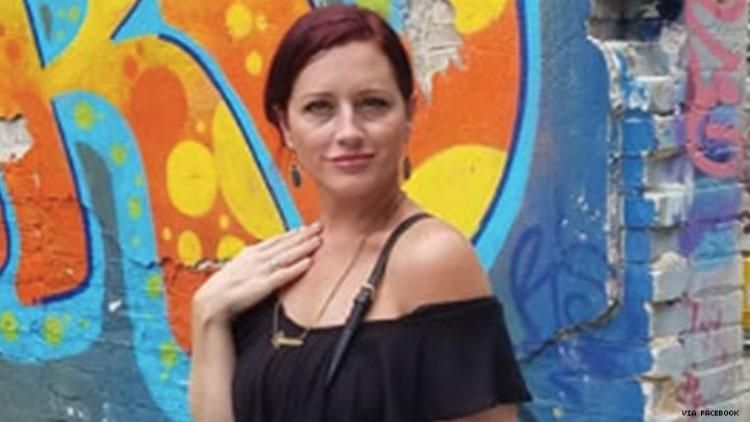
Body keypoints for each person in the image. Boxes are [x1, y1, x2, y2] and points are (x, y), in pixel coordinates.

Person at [189, 5, 531, 421]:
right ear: (286, 126)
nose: (348, 131)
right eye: (319, 107)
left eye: (372, 104)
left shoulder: (431, 260)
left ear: (408, 115)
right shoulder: (274, 269)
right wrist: (208, 316)